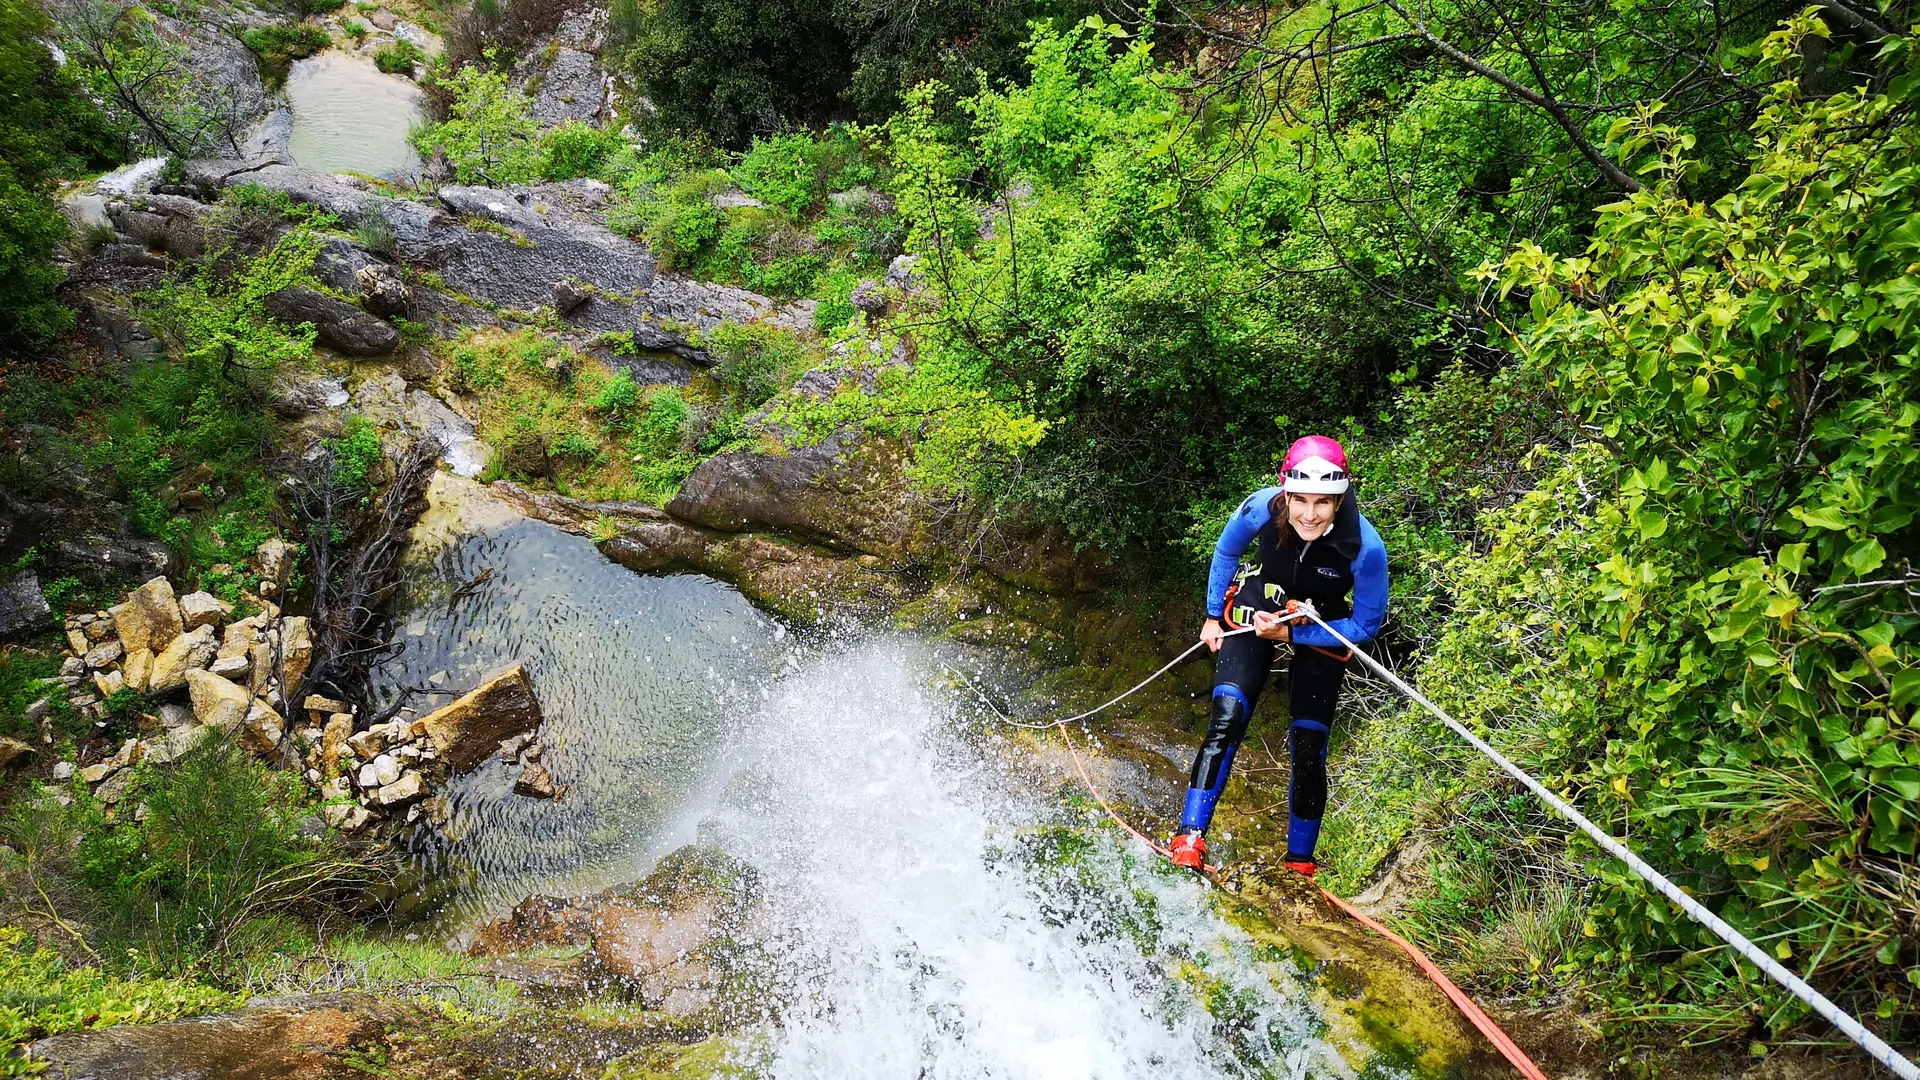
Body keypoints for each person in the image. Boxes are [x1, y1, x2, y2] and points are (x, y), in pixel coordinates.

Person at [1168, 436, 1388, 876]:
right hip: (1259, 601)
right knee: (1227, 718)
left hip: (1323, 621)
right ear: (1285, 491)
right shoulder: (1261, 507)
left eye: (1323, 503)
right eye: (1300, 500)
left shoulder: (1365, 546)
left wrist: (1291, 633)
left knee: (1309, 747)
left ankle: (1300, 863)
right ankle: (1189, 836)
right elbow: (1227, 551)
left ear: (1340, 497)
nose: (1309, 514)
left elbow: (1365, 626)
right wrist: (1214, 616)